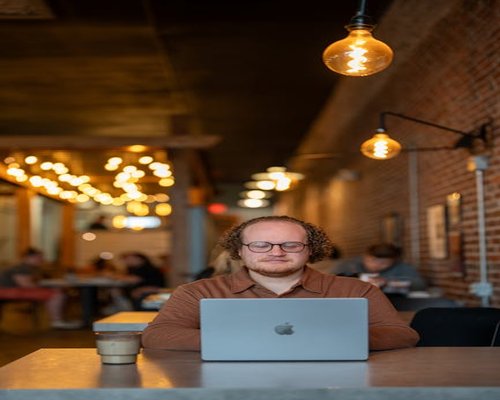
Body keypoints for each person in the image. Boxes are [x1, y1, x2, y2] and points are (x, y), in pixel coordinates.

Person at [142, 216, 419, 351]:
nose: (276, 252)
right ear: (239, 251)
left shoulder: (357, 290)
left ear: (310, 250)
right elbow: (157, 336)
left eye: (290, 244)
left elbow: (402, 334)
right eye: (261, 244)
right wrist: (253, 341)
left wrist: (337, 341)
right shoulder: (198, 292)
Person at [0, 248, 81, 329]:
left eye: (41, 257)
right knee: (56, 294)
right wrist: (46, 288)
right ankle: (57, 321)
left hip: (10, 290)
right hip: (7, 291)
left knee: (56, 292)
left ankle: (61, 320)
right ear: (27, 258)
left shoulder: (30, 268)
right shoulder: (22, 268)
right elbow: (26, 285)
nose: (41, 259)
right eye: (38, 257)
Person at [333, 243, 427, 292]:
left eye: (383, 263)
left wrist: (388, 282)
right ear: (365, 256)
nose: (376, 265)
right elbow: (330, 280)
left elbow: (420, 285)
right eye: (371, 260)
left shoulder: (402, 267)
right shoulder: (349, 264)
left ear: (394, 261)